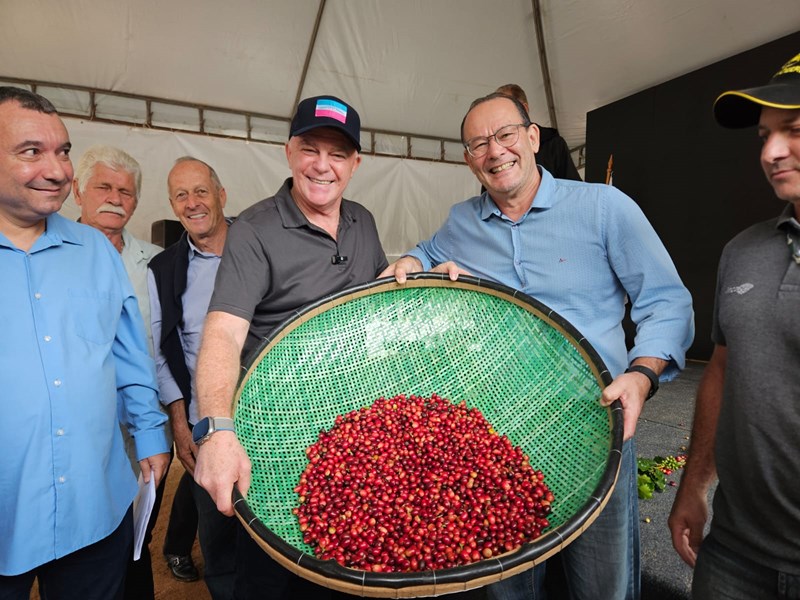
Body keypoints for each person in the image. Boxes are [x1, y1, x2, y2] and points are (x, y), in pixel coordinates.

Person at [382, 92, 694, 600]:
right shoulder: (462, 221)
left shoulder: (602, 207)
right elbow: (423, 252)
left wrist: (642, 375)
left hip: (596, 426)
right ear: (469, 160)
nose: (494, 151)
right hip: (499, 437)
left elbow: (666, 300)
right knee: (509, 584)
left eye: (505, 135)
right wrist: (413, 263)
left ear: (532, 138)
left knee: (603, 583)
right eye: (478, 144)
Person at [192, 95, 388, 599]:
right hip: (277, 435)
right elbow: (223, 333)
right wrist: (216, 430)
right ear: (288, 152)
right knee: (272, 571)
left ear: (355, 164)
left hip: (354, 429)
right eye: (310, 149)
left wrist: (412, 265)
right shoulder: (254, 230)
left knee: (347, 559)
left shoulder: (363, 221)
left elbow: (379, 294)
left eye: (337, 154)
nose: (322, 166)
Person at [0, 87, 170, 599]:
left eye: (64, 151)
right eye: (31, 151)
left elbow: (128, 353)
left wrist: (151, 433)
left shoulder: (95, 250)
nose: (56, 170)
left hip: (94, 502)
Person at [668, 52, 800, 599]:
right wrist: (695, 484)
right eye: (765, 135)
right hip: (735, 553)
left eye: (794, 130)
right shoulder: (743, 251)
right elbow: (722, 370)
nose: (770, 152)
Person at [73, 145, 179, 600]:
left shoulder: (157, 262)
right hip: (78, 427)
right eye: (104, 187)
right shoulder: (46, 254)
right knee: (82, 537)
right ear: (77, 191)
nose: (115, 199)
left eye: (126, 191)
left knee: (137, 531)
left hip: (145, 426)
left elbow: (172, 343)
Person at [148, 156, 235, 597]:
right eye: (181, 195)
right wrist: (180, 424)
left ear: (221, 196)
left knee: (279, 536)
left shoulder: (259, 244)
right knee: (220, 540)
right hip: (209, 426)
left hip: (274, 417)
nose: (192, 202)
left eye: (201, 191)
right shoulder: (163, 269)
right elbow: (163, 351)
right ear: (172, 205)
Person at [495, 83, 581, 181]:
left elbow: (573, 184)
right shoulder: (496, 150)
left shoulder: (553, 143)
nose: (500, 116)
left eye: (506, 109)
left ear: (524, 109)